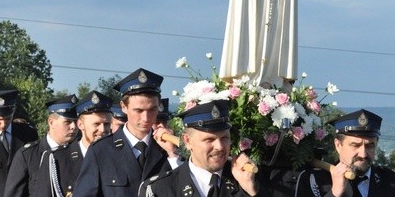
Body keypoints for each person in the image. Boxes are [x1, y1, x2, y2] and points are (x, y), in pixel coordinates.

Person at [73, 68, 176, 197]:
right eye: (138, 110)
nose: (146, 118)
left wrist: (173, 154)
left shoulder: (169, 149)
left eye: (152, 110)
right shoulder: (101, 151)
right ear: (123, 107)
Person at [138, 100, 266, 197]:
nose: (219, 147)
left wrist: (250, 190)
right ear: (187, 141)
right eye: (209, 140)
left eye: (224, 138)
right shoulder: (159, 189)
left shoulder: (250, 180)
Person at [295, 109, 395, 197]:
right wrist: (334, 193)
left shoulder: (394, 183)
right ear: (338, 145)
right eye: (355, 145)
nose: (363, 154)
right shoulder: (314, 181)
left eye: (370, 146)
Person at [35, 90, 113, 196]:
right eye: (96, 124)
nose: (102, 129)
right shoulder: (57, 159)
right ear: (80, 125)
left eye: (107, 124)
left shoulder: (118, 157)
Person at [2, 94, 78, 197]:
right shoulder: (28, 155)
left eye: (75, 122)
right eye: (67, 122)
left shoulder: (80, 153)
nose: (73, 127)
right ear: (51, 122)